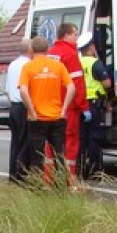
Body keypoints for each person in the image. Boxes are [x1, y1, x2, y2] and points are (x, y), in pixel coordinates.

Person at [19, 36, 75, 189]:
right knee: (59, 154)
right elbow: (71, 87)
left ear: (32, 50)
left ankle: (38, 187)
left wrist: (31, 110)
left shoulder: (28, 68)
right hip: (57, 117)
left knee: (37, 155)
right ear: (48, 49)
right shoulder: (58, 66)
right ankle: (62, 186)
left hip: (37, 118)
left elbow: (23, 90)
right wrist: (64, 109)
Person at [47, 23, 88, 186]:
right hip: (69, 106)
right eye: (75, 34)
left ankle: (48, 179)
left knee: (50, 143)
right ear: (66, 35)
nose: (77, 38)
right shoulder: (70, 54)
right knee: (70, 142)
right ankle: (70, 180)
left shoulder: (51, 53)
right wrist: (83, 106)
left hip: (52, 105)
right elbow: (77, 83)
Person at [78, 36, 111, 180]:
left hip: (80, 104)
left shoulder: (78, 62)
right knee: (95, 138)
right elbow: (107, 84)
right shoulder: (95, 63)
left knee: (82, 138)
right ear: (90, 48)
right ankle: (95, 170)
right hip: (94, 105)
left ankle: (79, 169)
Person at [4, 38, 34, 185]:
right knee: (25, 142)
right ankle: (21, 174)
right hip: (24, 105)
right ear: (30, 50)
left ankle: (13, 174)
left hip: (14, 106)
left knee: (15, 142)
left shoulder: (12, 64)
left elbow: (8, 87)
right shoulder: (28, 65)